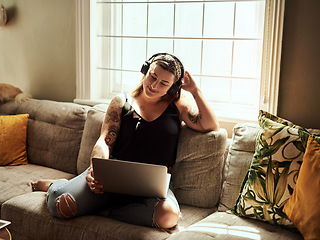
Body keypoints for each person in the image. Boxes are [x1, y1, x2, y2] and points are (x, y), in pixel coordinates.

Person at [32, 53, 219, 229]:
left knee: (169, 216)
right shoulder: (122, 102)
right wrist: (95, 167)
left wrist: (195, 91)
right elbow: (105, 141)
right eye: (153, 76)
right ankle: (57, 184)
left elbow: (210, 125)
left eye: (164, 83)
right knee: (60, 205)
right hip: (112, 177)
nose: (154, 85)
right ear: (145, 70)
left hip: (153, 187)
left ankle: (106, 210)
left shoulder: (178, 104)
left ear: (173, 87)